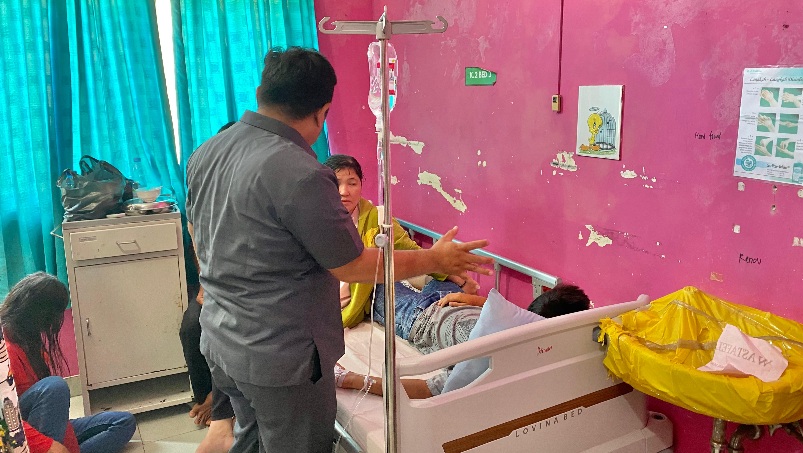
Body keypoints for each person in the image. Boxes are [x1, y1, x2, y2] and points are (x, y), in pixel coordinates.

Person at [185, 46, 493, 453]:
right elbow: (353, 265)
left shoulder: (207, 152)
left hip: (222, 339)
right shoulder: (301, 173)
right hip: (279, 359)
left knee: (252, 436)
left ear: (262, 92)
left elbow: (197, 229)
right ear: (322, 112)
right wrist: (435, 258)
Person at [335, 284, 591, 399]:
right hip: (452, 297)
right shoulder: (521, 325)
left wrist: (352, 379)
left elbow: (429, 389)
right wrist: (474, 299)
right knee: (434, 268)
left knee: (373, 276)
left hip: (420, 315)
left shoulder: (495, 355)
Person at [323, 154, 479, 331]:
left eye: (352, 183)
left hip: (371, 290)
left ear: (361, 185)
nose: (344, 191)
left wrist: (462, 281)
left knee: (442, 289)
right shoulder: (314, 222)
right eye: (336, 183)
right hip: (339, 305)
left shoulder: (378, 218)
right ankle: (445, 321)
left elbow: (414, 252)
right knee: (406, 302)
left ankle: (459, 316)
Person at [0, 272, 136, 453]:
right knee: (54, 387)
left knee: (123, 422)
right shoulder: (5, 351)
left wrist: (65, 446)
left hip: (41, 427)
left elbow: (52, 415)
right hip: (17, 436)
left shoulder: (29, 341)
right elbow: (6, 421)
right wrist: (49, 446)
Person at [179, 122, 237, 434]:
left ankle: (220, 400)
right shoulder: (204, 192)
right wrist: (205, 283)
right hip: (215, 282)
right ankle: (205, 398)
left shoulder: (253, 189)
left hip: (243, 288)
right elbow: (197, 242)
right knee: (191, 326)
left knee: (223, 330)